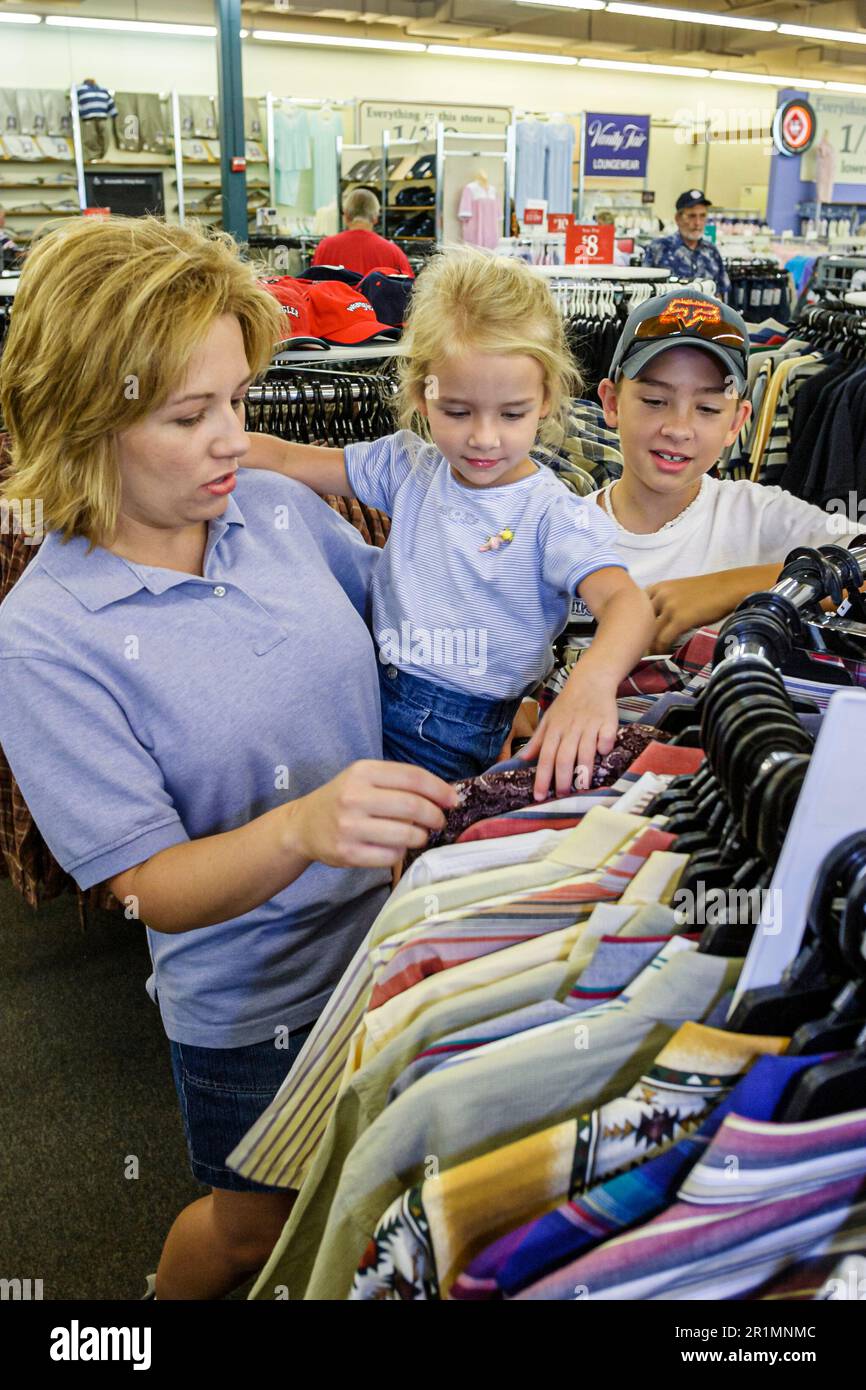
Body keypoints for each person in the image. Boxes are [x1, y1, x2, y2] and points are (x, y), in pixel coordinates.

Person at [0, 215, 459, 1301]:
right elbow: (145, 888)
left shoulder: (274, 512)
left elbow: (400, 640)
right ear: (81, 421)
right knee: (255, 1226)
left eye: (240, 401)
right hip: (257, 1002)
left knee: (370, 1198)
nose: (232, 438)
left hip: (395, 949)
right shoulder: (45, 635)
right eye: (188, 413)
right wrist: (302, 827)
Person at [243, 245, 655, 803]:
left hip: (457, 732)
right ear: (422, 395)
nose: (484, 438)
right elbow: (293, 460)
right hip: (366, 691)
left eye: (512, 414)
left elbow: (627, 603)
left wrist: (594, 681)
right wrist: (221, 442)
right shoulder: (408, 465)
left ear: (547, 401)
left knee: (410, 849)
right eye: (457, 412)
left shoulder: (551, 513)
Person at [549, 289, 865, 665]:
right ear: (612, 403)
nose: (679, 429)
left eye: (708, 408)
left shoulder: (761, 516)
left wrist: (733, 586)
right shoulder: (560, 532)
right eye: (654, 401)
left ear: (736, 422)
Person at [642, 189, 731, 302]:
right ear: (678, 218)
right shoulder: (658, 249)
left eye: (702, 216)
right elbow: (644, 293)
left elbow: (722, 292)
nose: (698, 223)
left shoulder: (711, 252)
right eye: (692, 216)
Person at [311, 187, 413, 277]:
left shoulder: (325, 247)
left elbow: (311, 285)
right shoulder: (393, 252)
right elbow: (410, 290)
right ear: (375, 218)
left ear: (346, 216)